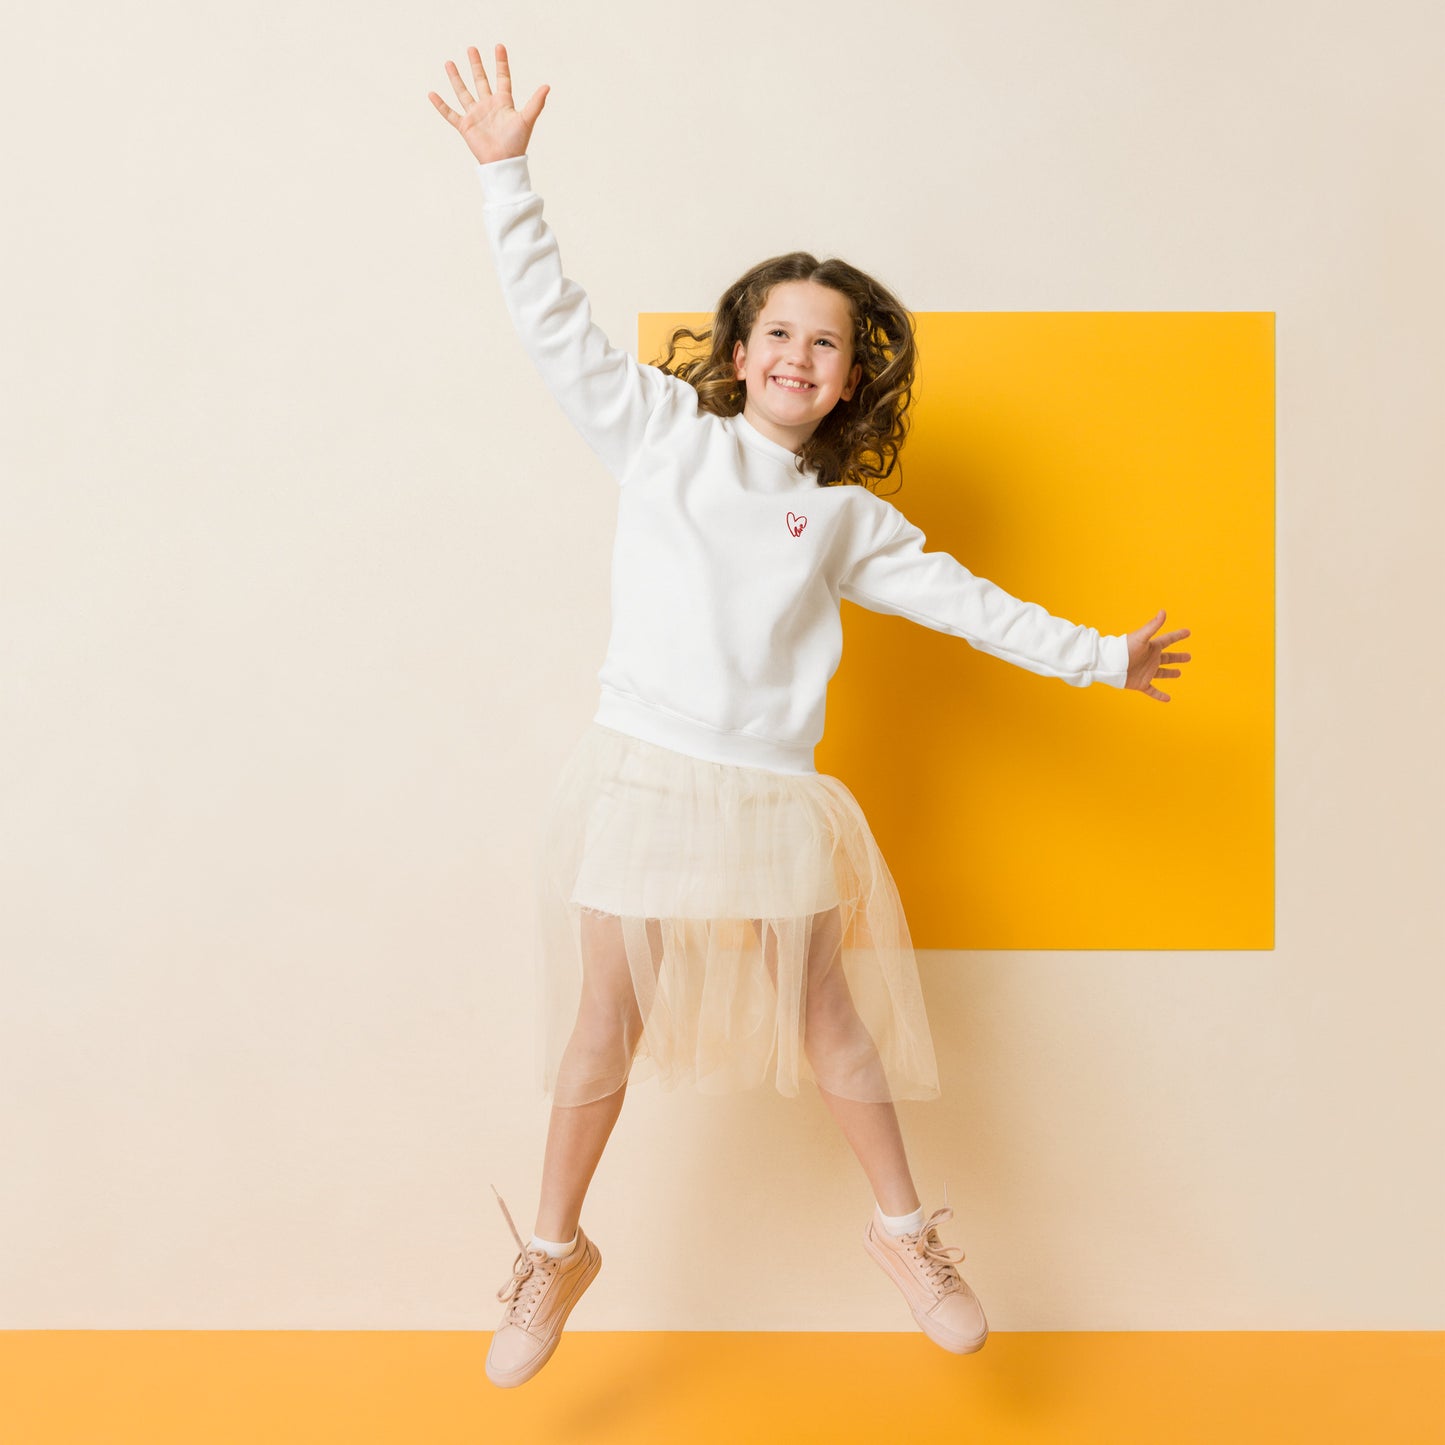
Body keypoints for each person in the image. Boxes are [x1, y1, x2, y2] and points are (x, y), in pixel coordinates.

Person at [427, 43, 1193, 1389]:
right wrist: (507, 176)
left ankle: (904, 1234)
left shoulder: (844, 518)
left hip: (771, 789)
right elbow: (552, 322)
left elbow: (966, 601)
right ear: (735, 354)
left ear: (849, 381)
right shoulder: (661, 436)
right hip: (647, 774)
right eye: (775, 330)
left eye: (824, 341)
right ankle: (551, 1248)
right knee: (605, 1013)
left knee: (828, 1012)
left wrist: (1096, 658)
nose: (795, 351)